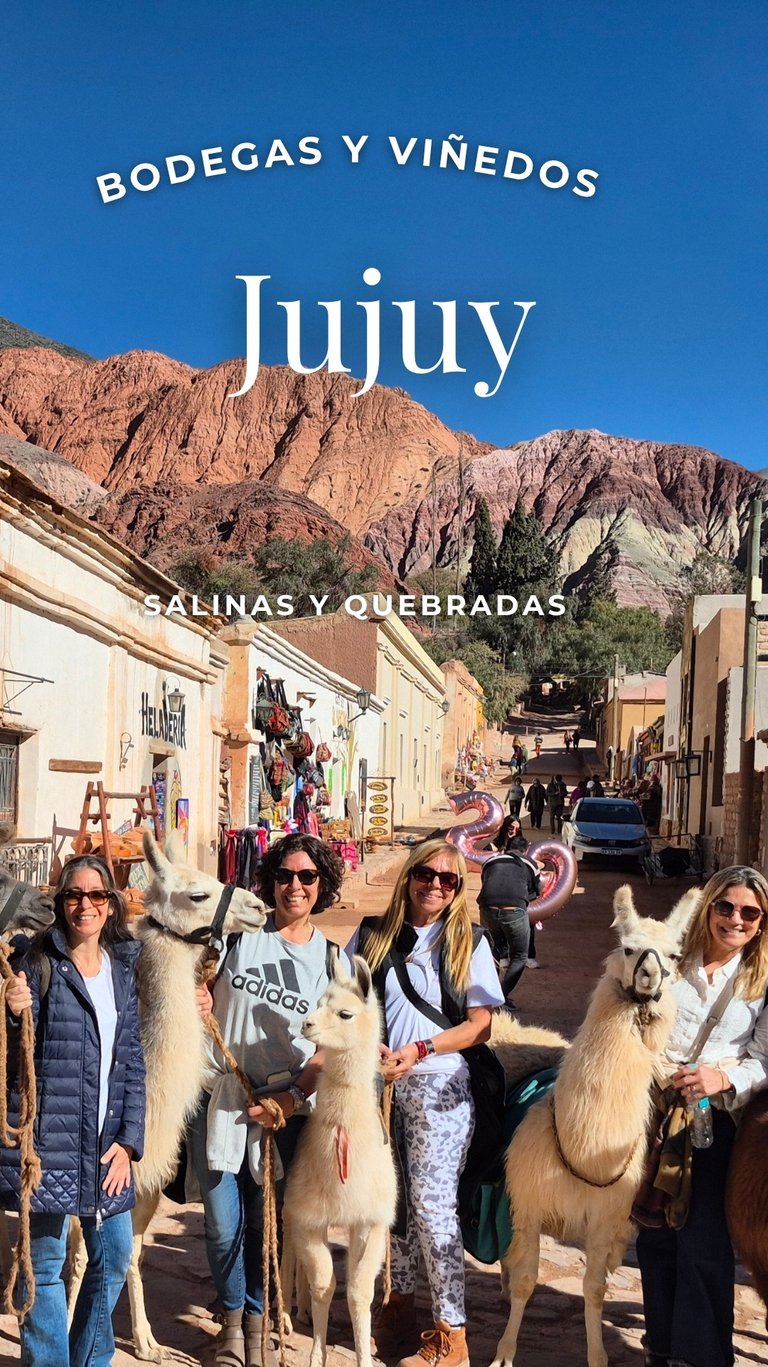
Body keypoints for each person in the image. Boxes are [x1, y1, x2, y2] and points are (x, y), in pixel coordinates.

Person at [191, 833, 345, 1367]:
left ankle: (253, 1329)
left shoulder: (332, 959)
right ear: (271, 881)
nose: (294, 886)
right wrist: (197, 992)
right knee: (221, 1223)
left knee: (265, 1224)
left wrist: (293, 1097)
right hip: (221, 1098)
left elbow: (331, 1048)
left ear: (322, 885)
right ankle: (231, 1323)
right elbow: (195, 979)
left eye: (307, 877)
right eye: (285, 875)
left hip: (285, 1114)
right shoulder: (236, 937)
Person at [351, 840, 503, 1367]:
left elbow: (480, 1026)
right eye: (425, 873)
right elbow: (348, 1002)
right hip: (382, 1090)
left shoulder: (468, 941)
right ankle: (398, 1308)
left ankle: (450, 1335)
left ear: (458, 889)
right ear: (408, 875)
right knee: (394, 1208)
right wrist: (368, 1045)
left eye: (448, 879)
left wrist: (420, 1049)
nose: (435, 885)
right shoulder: (372, 935)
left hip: (442, 1089)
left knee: (434, 1210)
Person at [0, 855, 146, 1367]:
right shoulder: (36, 964)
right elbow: (17, 1057)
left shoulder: (121, 971)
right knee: (44, 1266)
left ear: (111, 904)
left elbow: (132, 1061)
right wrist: (12, 1010)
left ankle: (89, 1360)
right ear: (61, 902)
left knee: (114, 1259)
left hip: (107, 1147)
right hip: (50, 1146)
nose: (85, 905)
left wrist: (129, 1142)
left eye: (96, 895)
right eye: (74, 895)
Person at [637, 867, 768, 1367]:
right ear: (709, 907)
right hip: (656, 1111)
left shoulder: (761, 980)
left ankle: (702, 1357)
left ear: (761, 922)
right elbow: (634, 1023)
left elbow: (764, 1060)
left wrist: (721, 1079)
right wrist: (657, 1070)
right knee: (655, 1233)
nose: (736, 919)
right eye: (726, 907)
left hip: (716, 1120)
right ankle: (661, 1347)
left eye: (750, 912)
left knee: (704, 1239)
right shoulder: (670, 962)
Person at [477, 835, 542, 1012]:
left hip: (487, 908)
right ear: (525, 850)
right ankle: (501, 997)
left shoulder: (491, 861)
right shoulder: (530, 863)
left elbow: (487, 882)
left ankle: (489, 997)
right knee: (520, 956)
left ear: (506, 847)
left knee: (493, 953)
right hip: (514, 910)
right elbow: (538, 891)